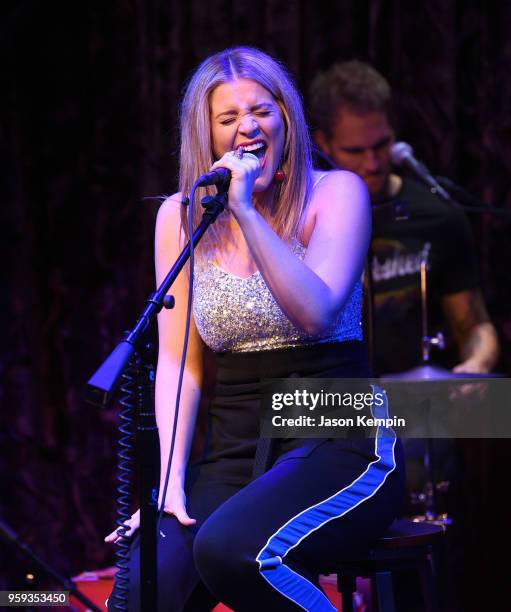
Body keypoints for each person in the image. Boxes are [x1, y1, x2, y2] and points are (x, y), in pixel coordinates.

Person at [106, 47, 404, 611]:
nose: (248, 126)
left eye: (262, 111)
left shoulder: (336, 193)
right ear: (207, 134)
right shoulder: (180, 215)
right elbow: (178, 363)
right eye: (228, 118)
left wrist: (244, 209)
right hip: (237, 446)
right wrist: (168, 482)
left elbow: (314, 312)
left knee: (232, 550)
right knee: (146, 581)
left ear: (286, 119)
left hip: (336, 429)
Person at [309, 60, 499, 375]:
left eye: (381, 145)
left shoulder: (436, 215)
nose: (372, 163)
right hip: (334, 403)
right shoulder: (304, 220)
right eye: (355, 151)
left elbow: (475, 326)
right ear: (323, 144)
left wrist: (477, 363)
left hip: (419, 407)